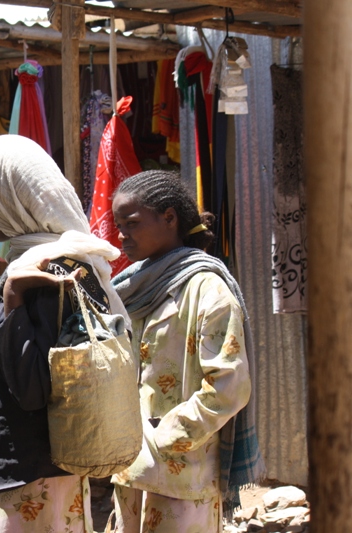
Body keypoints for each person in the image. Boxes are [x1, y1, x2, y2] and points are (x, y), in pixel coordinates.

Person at [0, 135, 127, 533]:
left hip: (30, 488)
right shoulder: (47, 263)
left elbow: (33, 391)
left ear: (9, 201)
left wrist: (13, 299)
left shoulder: (48, 272)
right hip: (21, 478)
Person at [109, 170, 263, 532]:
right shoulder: (131, 287)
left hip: (181, 478)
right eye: (118, 225)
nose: (122, 235)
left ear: (169, 218)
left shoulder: (208, 290)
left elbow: (229, 385)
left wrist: (164, 440)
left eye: (131, 223)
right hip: (129, 470)